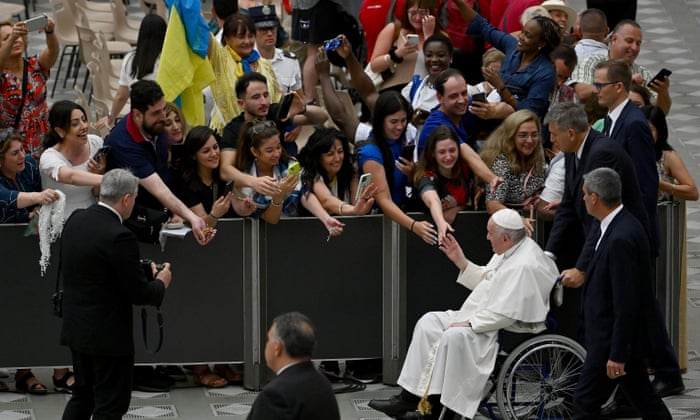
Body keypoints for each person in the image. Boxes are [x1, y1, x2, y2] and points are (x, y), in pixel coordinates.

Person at [368, 208, 559, 419]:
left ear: (505, 237)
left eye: (489, 233)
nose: (486, 237)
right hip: (482, 315)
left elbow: (509, 314)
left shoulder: (524, 265)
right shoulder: (509, 249)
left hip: (501, 328)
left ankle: (438, 411)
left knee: (453, 336)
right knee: (429, 322)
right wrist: (460, 260)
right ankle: (409, 398)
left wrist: (471, 323)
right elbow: (487, 283)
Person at [59, 168, 172, 420]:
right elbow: (139, 293)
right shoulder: (120, 235)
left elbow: (95, 267)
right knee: (111, 405)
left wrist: (139, 268)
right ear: (126, 199)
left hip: (77, 326)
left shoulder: (76, 220)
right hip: (108, 336)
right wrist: (161, 282)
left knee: (82, 396)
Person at [573, 167, 671, 420]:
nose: (583, 199)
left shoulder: (620, 238)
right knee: (644, 398)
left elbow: (625, 301)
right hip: (621, 340)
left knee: (585, 401)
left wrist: (617, 354)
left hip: (611, 341)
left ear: (595, 198)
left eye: (584, 194)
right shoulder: (617, 224)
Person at [104, 80, 213, 245]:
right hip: (130, 221)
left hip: (159, 213)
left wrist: (175, 211)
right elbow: (159, 189)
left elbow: (163, 173)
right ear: (137, 114)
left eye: (163, 109)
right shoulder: (123, 143)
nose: (163, 117)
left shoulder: (155, 125)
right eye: (156, 113)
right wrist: (191, 216)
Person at [0, 129, 60, 395]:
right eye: (15, 153)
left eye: (23, 149)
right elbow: (9, 198)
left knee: (22, 309)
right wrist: (38, 198)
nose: (23, 155)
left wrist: (38, 211)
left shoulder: (29, 169)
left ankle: (25, 371)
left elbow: (36, 207)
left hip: (24, 250)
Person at [453, 0, 560, 121]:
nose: (521, 37)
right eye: (523, 31)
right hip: (493, 115)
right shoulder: (513, 47)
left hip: (520, 127)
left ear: (541, 43)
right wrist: (459, 2)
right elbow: (482, 26)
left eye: (528, 36)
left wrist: (500, 86)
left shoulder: (545, 72)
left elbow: (529, 112)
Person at [233, 120, 345, 234]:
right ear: (255, 152)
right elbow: (270, 219)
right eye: (269, 150)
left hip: (294, 232)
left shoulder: (289, 165)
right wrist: (279, 194)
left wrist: (326, 219)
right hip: (261, 237)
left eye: (278, 147)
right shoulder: (246, 178)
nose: (276, 153)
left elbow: (304, 195)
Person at [594, 60, 659, 252]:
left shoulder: (634, 123)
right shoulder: (610, 118)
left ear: (619, 87)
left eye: (600, 85)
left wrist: (636, 232)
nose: (595, 90)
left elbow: (646, 182)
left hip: (630, 231)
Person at [356, 91, 437, 243]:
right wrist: (414, 225)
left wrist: (411, 175)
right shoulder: (370, 153)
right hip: (377, 224)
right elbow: (384, 200)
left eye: (403, 120)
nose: (400, 127)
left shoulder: (401, 141)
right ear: (380, 121)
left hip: (401, 215)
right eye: (393, 122)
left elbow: (404, 182)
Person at [219, 72, 327, 185]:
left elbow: (322, 117)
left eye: (265, 95)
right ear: (242, 103)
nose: (264, 102)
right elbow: (225, 171)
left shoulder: (275, 112)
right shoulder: (233, 129)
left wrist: (304, 109)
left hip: (286, 177)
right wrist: (255, 182)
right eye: (256, 97)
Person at [417, 69, 500, 192]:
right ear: (440, 98)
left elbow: (507, 109)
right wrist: (492, 179)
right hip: (437, 192)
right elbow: (467, 153)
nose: (461, 100)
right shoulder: (435, 124)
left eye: (464, 93)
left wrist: (492, 112)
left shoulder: (467, 105)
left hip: (462, 184)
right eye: (453, 96)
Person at [247, 312, 341, 420]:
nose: (266, 345)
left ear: (277, 348)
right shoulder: (322, 382)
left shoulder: (275, 395)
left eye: (268, 340)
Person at [569, 19, 671, 115]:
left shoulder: (643, 73)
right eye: (629, 41)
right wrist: (625, 82)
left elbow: (659, 114)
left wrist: (663, 93)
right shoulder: (591, 62)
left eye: (638, 43)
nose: (634, 48)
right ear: (614, 39)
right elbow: (582, 93)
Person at [207, 13, 282, 134]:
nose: (247, 41)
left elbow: (276, 100)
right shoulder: (219, 59)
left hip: (262, 135)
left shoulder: (264, 64)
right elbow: (202, 33)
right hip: (227, 133)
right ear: (227, 39)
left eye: (251, 36)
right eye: (241, 37)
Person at [94, 14, 167, 130]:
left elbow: (121, 96)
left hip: (137, 121)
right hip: (162, 121)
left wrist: (110, 117)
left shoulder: (131, 59)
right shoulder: (168, 61)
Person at [0, 17, 59, 160]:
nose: (16, 40)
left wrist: (50, 32)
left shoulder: (35, 65)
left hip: (43, 139)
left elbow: (52, 53)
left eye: (19, 35)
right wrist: (13, 36)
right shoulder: (3, 75)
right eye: (7, 38)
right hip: (15, 146)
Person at [480, 109, 546, 233]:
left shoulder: (538, 155)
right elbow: (492, 204)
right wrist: (518, 220)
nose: (530, 140)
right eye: (523, 135)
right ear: (511, 137)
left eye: (534, 134)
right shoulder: (501, 162)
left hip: (535, 222)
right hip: (505, 229)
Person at [40, 101, 105, 218]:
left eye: (84, 120)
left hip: (91, 214)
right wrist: (109, 179)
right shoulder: (49, 158)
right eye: (75, 124)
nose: (84, 126)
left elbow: (96, 193)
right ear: (60, 131)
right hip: (61, 219)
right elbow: (70, 177)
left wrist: (100, 172)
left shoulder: (96, 143)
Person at [413, 125, 472, 244]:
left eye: (452, 150)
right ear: (433, 153)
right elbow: (433, 200)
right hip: (428, 238)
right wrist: (441, 223)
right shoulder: (426, 176)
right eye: (442, 152)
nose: (448, 156)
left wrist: (458, 209)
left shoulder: (466, 169)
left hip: (464, 236)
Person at [297, 127, 377, 216]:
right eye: (330, 154)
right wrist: (353, 210)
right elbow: (326, 200)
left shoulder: (349, 172)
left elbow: (356, 204)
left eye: (340, 151)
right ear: (317, 157)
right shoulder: (309, 174)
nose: (337, 158)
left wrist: (361, 204)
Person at [368, 0, 444, 92]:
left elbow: (441, 69)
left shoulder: (440, 36)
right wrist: (396, 54)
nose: (418, 18)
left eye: (423, 12)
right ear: (406, 12)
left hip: (425, 94)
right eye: (413, 13)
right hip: (393, 93)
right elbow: (374, 66)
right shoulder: (394, 30)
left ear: (430, 13)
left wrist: (428, 37)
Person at [642, 105, 698, 201]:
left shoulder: (668, 157)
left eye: (650, 130)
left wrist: (662, 185)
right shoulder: (627, 150)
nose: (644, 133)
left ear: (659, 132)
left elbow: (693, 192)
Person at [401, 34, 453, 129]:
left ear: (451, 57)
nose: (434, 60)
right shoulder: (413, 88)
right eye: (429, 55)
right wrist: (411, 120)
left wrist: (430, 118)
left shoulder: (463, 91)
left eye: (440, 55)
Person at [250, 5, 302, 95]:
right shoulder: (246, 62)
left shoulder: (290, 60)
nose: (270, 33)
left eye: (272, 28)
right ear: (253, 32)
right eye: (263, 29)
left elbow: (299, 98)